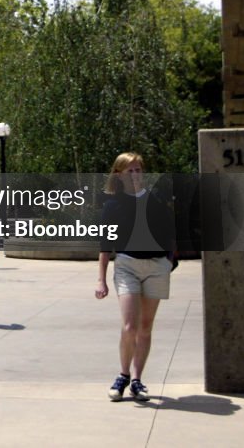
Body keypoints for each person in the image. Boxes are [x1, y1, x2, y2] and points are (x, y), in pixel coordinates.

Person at [95, 152, 176, 402]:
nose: (135, 174)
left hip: (155, 267)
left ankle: (138, 380)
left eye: (139, 169)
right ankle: (123, 375)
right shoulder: (113, 205)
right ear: (119, 175)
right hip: (127, 265)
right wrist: (101, 278)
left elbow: (169, 231)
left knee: (145, 327)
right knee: (129, 326)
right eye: (129, 170)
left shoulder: (156, 200)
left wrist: (169, 260)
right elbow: (105, 244)